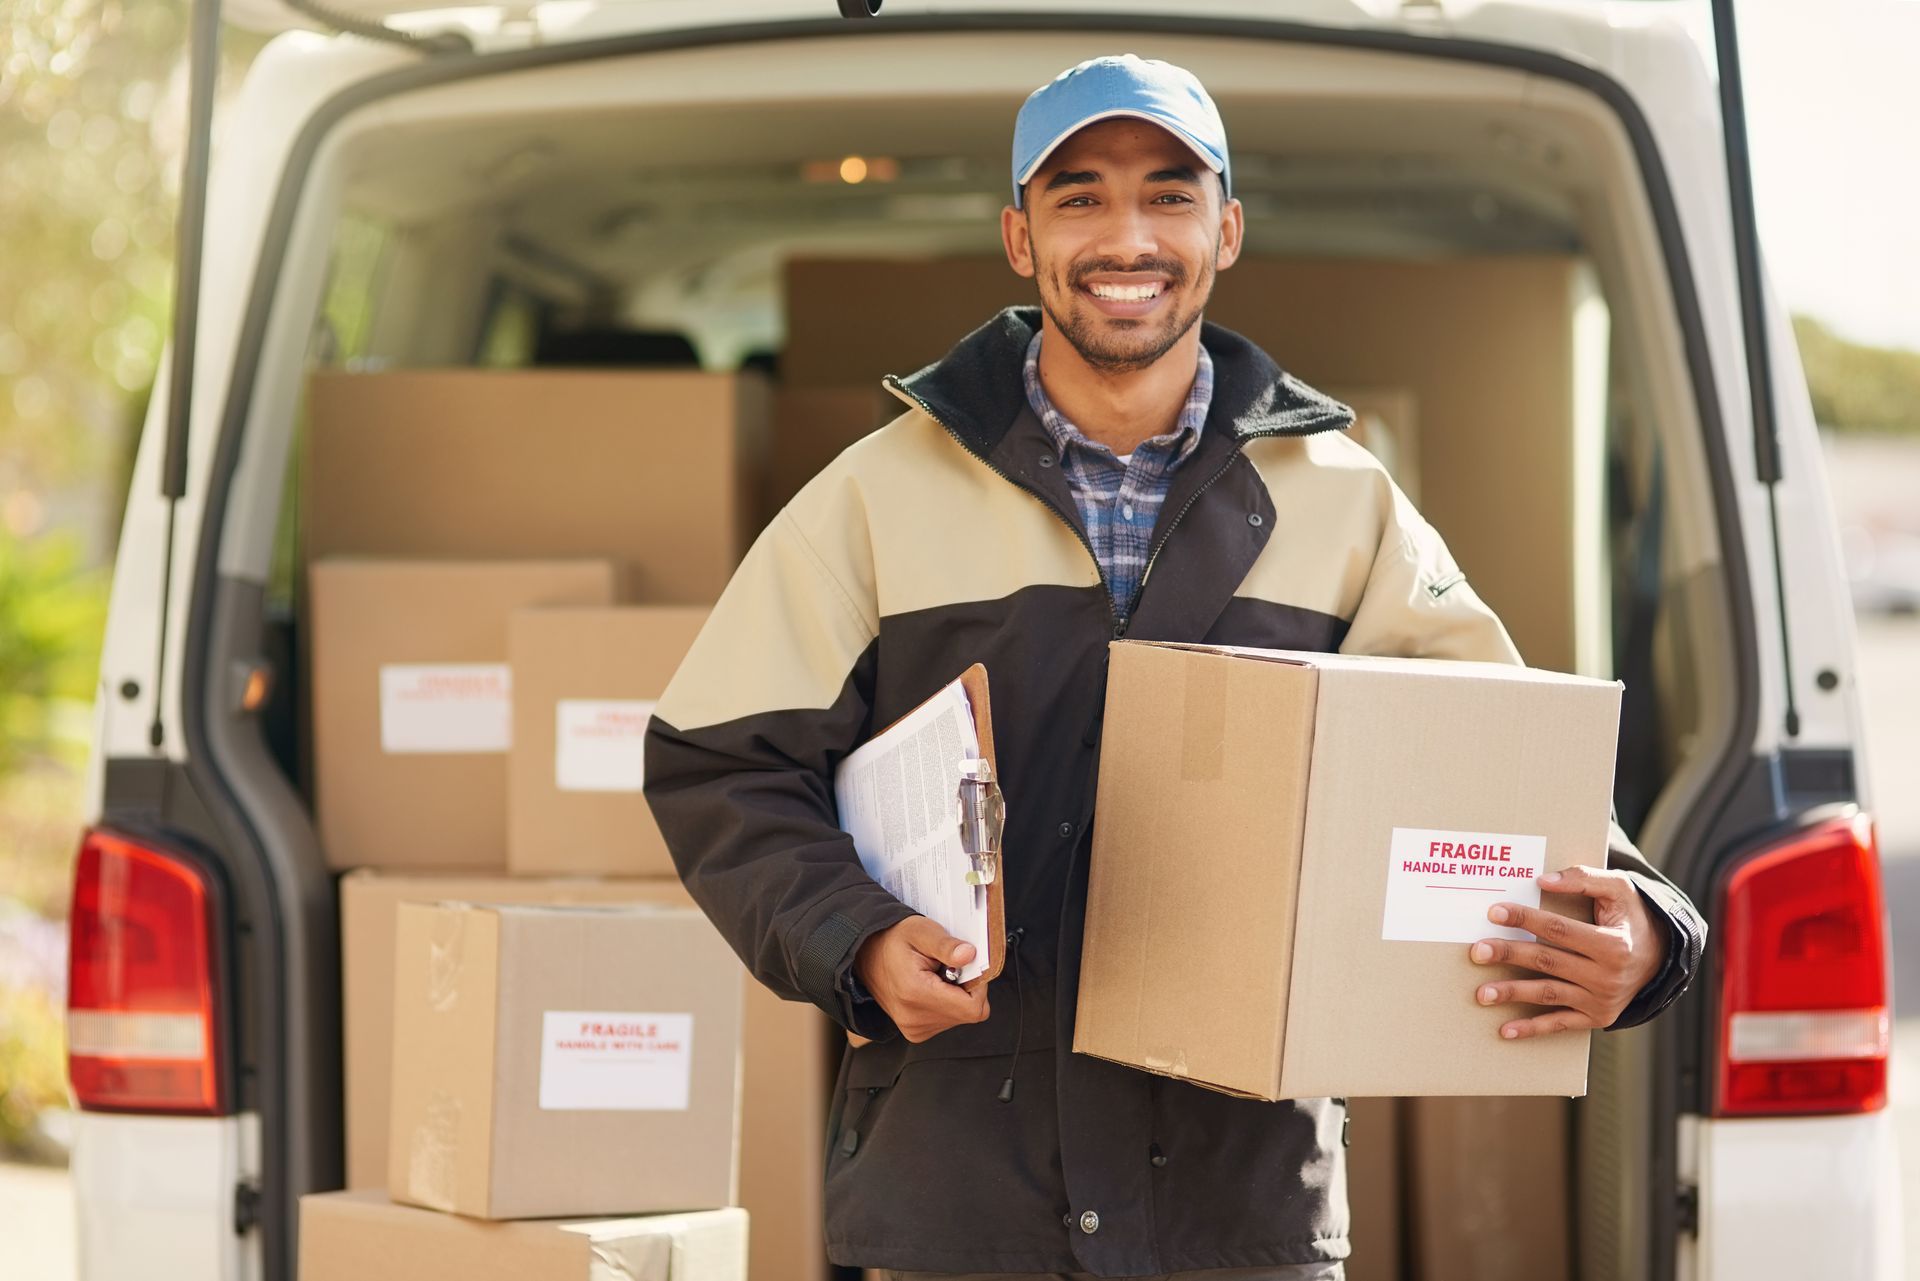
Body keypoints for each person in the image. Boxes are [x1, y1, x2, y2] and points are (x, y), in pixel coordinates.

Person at [644, 54, 1705, 1281]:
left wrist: (1648, 928)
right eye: (1080, 196)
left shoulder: (1347, 509)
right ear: (1019, 235)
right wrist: (857, 938)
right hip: (961, 1210)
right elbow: (718, 760)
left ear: (1228, 229)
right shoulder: (879, 496)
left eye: (1170, 193)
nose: (1127, 236)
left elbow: (1493, 771)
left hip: (1241, 1213)